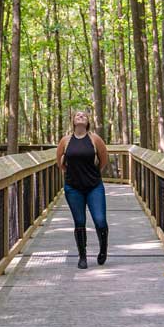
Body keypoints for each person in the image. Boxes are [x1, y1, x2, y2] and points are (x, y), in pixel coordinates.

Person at [56, 110, 110, 269]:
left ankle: (103, 249)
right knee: (79, 222)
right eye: (77, 115)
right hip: (73, 188)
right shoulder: (65, 141)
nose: (81, 117)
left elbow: (103, 160)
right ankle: (82, 256)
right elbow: (60, 162)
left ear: (87, 122)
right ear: (73, 121)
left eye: (84, 116)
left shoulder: (95, 139)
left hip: (94, 186)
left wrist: (91, 175)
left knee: (100, 220)